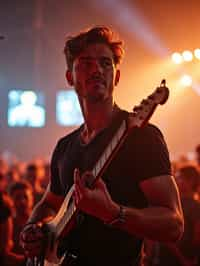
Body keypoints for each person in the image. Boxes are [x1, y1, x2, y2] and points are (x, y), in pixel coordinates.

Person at [20, 26, 184, 266]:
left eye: (106, 63)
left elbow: (174, 225)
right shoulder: (65, 147)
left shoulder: (141, 136)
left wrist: (113, 212)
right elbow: (48, 203)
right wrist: (32, 228)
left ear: (117, 76)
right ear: (70, 77)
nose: (97, 69)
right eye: (85, 63)